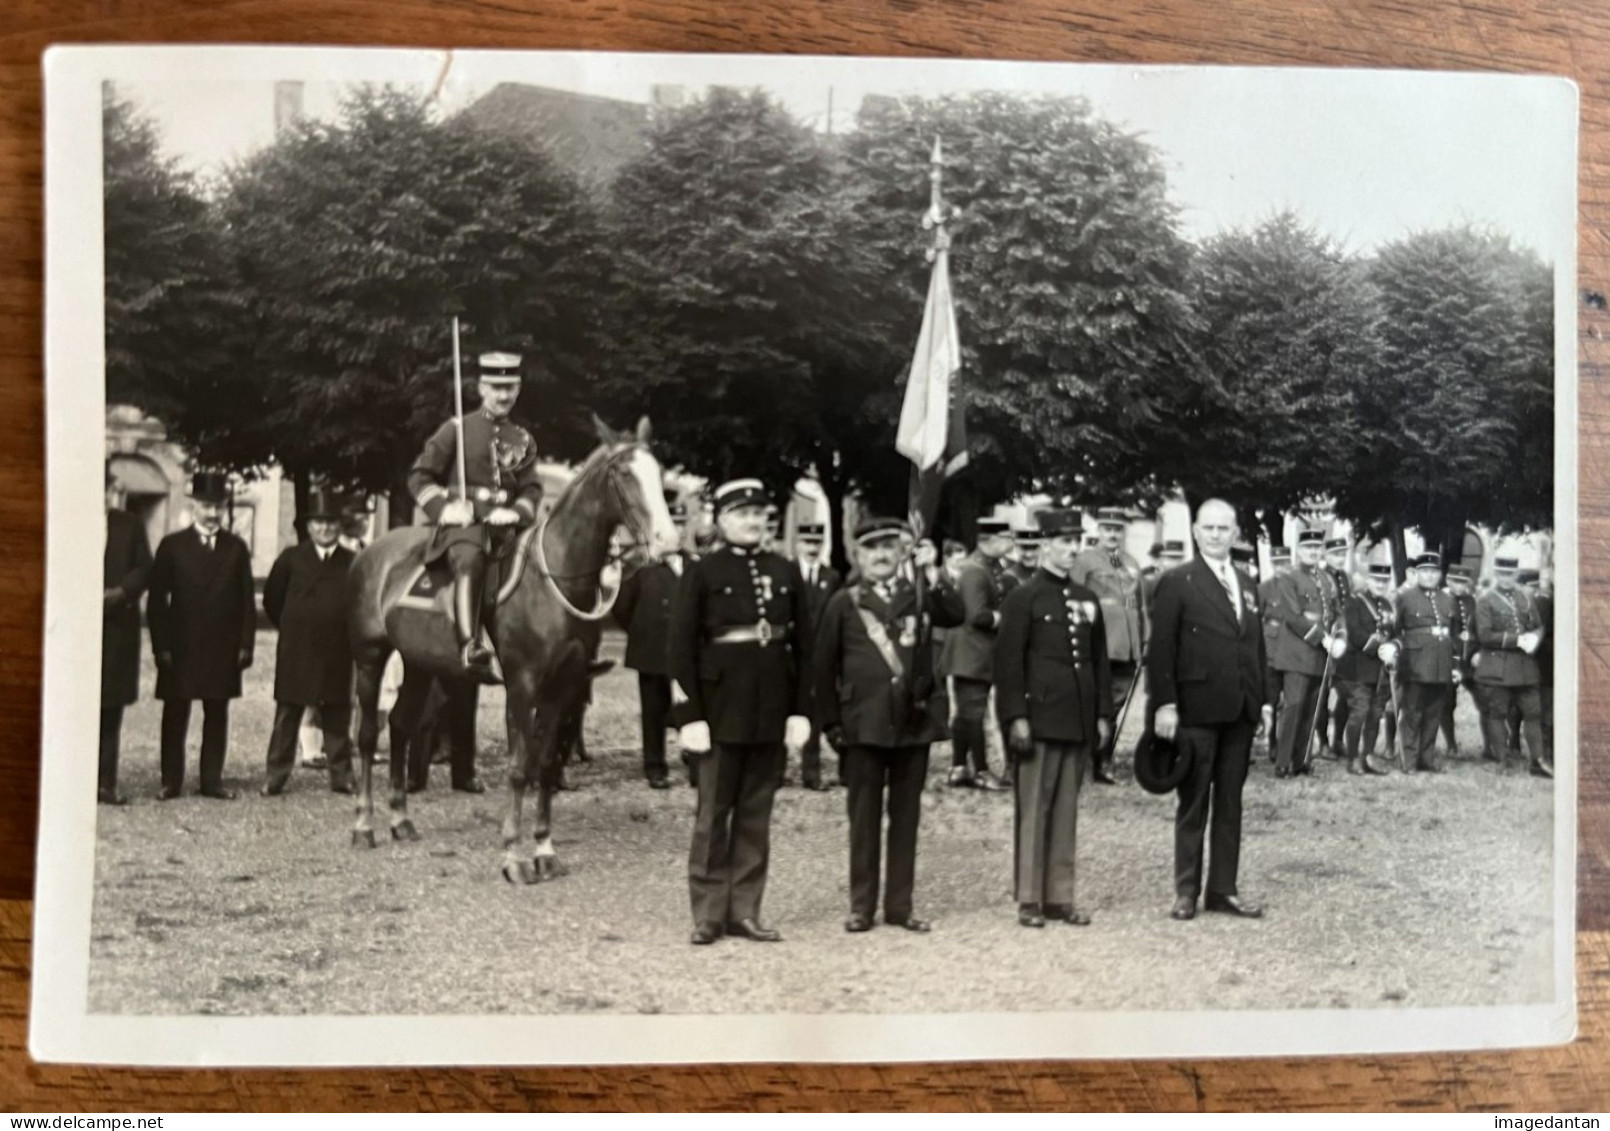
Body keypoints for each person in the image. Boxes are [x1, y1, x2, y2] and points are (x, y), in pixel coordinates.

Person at [671, 478, 812, 945]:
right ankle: (709, 914)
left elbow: (805, 648)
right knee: (712, 815)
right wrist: (689, 714)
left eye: (759, 514)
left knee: (756, 814)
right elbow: (680, 647)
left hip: (769, 709)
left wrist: (800, 710)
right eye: (743, 514)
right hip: (719, 710)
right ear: (723, 521)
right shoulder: (703, 571)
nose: (753, 522)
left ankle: (745, 910)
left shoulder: (785, 569)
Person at [814, 518, 960, 934]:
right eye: (871, 549)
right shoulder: (844, 602)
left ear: (901, 553)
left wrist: (933, 572)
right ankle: (862, 906)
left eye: (888, 547)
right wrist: (830, 724)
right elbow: (823, 668)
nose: (880, 555)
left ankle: (900, 905)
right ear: (858, 556)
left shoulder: (917, 594)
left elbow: (955, 613)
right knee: (863, 819)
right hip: (863, 723)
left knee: (906, 816)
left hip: (912, 722)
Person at [1147, 499, 1270, 921]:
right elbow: (1161, 650)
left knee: (1231, 804)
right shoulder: (1177, 581)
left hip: (1240, 711)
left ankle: (1223, 889)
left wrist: (1264, 701)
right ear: (1196, 532)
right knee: (1193, 801)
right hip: (1196, 709)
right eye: (1209, 528)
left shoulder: (1248, 583)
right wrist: (1164, 704)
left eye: (1225, 528)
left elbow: (1255, 647)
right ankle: (1186, 891)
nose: (1217, 535)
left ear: (1236, 534)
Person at [995, 508, 1114, 927]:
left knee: (1066, 809)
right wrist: (1014, 718)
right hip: (1039, 718)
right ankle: (1029, 897)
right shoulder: (1023, 598)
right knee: (1034, 808)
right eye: (1064, 542)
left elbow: (1097, 661)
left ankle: (1060, 896)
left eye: (1075, 542)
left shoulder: (1087, 599)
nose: (1071, 550)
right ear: (1044, 544)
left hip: (1077, 718)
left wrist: (1102, 715)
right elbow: (1008, 665)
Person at [406, 351, 543, 683]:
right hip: (464, 527)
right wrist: (446, 509)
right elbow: (420, 477)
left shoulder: (523, 439)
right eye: (495, 387)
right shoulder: (457, 429)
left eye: (509, 387)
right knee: (470, 557)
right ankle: (470, 645)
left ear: (519, 389)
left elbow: (532, 489)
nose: (503, 395)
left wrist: (515, 511)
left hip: (507, 528)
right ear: (481, 388)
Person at [146, 471, 255, 800]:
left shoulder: (236, 548)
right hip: (181, 647)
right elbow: (156, 602)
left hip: (222, 646)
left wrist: (245, 644)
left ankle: (211, 780)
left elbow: (247, 602)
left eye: (218, 506)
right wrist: (161, 646)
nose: (212, 513)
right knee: (176, 713)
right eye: (206, 506)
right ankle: (171, 781)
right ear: (193, 505)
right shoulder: (172, 546)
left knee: (217, 713)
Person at [261, 487, 357, 796]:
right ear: (309, 526)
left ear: (340, 526)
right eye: (318, 521)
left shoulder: (353, 562)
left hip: (337, 650)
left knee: (337, 713)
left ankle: (341, 775)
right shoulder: (291, 559)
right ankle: (275, 775)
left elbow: (360, 604)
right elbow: (272, 600)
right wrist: (294, 627)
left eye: (331, 522)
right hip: (297, 649)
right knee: (288, 713)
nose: (325, 527)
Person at [615, 499, 688, 790]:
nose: (675, 532)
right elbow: (621, 607)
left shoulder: (695, 565)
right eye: (670, 525)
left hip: (687, 654)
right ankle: (655, 766)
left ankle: (694, 758)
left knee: (690, 707)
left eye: (680, 525)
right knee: (654, 711)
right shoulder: (641, 568)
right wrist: (643, 632)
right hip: (652, 651)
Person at [1071, 507, 1145, 785]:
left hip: (1127, 644)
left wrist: (1143, 640)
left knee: (1115, 705)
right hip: (1099, 641)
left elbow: (1139, 606)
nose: (1112, 534)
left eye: (1117, 529)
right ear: (1098, 531)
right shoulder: (1084, 561)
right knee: (1091, 702)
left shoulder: (1131, 562)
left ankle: (1103, 759)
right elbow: (1075, 599)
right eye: (1107, 529)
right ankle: (1087, 760)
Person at [940, 517, 1013, 791]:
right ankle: (980, 770)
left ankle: (959, 767)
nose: (1010, 543)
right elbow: (977, 615)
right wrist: (1004, 618)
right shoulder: (974, 570)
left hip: (974, 652)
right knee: (973, 712)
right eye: (1005, 538)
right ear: (987, 541)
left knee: (967, 712)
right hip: (971, 651)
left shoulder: (986, 567)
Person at [1267, 528, 1344, 778]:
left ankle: (1302, 760)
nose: (1313, 552)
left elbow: (1337, 612)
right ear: (1299, 550)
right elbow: (1293, 616)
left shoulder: (1326, 579)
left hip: (1321, 656)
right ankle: (1283, 762)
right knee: (1294, 706)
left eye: (1316, 547)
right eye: (1307, 548)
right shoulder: (1289, 577)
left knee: (1313, 707)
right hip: (1298, 652)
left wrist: (1340, 637)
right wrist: (1323, 638)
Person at [101, 465, 152, 805]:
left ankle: (106, 783)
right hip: (75, 629)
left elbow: (145, 567)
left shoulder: (128, 525)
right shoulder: (64, 521)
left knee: (110, 706)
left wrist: (121, 593)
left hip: (116, 626)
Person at [1473, 556, 1549, 777]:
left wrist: (1535, 638)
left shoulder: (1525, 598)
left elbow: (1537, 625)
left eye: (1511, 574)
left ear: (1516, 575)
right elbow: (1484, 635)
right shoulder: (1486, 600)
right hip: (1498, 666)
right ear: (1496, 574)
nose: (1507, 579)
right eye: (1503, 574)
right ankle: (1502, 759)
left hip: (1525, 667)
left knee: (1533, 713)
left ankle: (1538, 760)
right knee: (1497, 713)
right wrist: (1517, 640)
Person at [1395, 551, 1459, 774]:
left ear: (1440, 574)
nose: (1430, 576)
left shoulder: (1447, 599)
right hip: (1415, 662)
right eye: (1425, 571)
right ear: (1417, 573)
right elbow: (1395, 630)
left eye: (1434, 572)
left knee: (1434, 713)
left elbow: (1455, 634)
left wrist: (1456, 666)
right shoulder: (1405, 597)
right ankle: (1409, 760)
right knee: (1412, 712)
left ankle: (1427, 758)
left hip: (1441, 663)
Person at [792, 521, 842, 790]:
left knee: (814, 712)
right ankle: (774, 772)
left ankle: (811, 773)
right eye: (807, 542)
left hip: (820, 656)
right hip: (790, 655)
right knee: (782, 708)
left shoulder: (831, 577)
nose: (812, 548)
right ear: (798, 543)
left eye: (816, 543)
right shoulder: (787, 573)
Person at [1336, 563, 1398, 776]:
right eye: (1376, 580)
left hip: (1380, 671)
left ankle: (1369, 755)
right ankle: (1353, 757)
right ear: (1368, 581)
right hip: (1356, 669)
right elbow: (1355, 633)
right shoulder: (1354, 603)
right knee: (1359, 712)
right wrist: (1381, 647)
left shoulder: (1388, 606)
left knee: (1375, 713)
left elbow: (1395, 633)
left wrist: (1394, 646)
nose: (1380, 584)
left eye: (1384, 581)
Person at [1316, 537, 1355, 758]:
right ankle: (1322, 742)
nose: (1340, 558)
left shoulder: (1345, 578)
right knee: (1322, 694)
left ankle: (1338, 739)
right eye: (1335, 554)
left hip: (1343, 640)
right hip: (1326, 641)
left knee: (1346, 692)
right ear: (1326, 555)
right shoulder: (1321, 577)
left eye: (1342, 554)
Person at [1444, 564, 1481, 760]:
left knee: (1483, 696)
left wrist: (1475, 647)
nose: (1459, 586)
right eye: (1456, 581)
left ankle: (1493, 744)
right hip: (1450, 659)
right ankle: (1451, 744)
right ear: (1448, 581)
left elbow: (1477, 627)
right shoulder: (1442, 599)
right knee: (1447, 702)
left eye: (1463, 582)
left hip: (1470, 659)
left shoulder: (1471, 601)